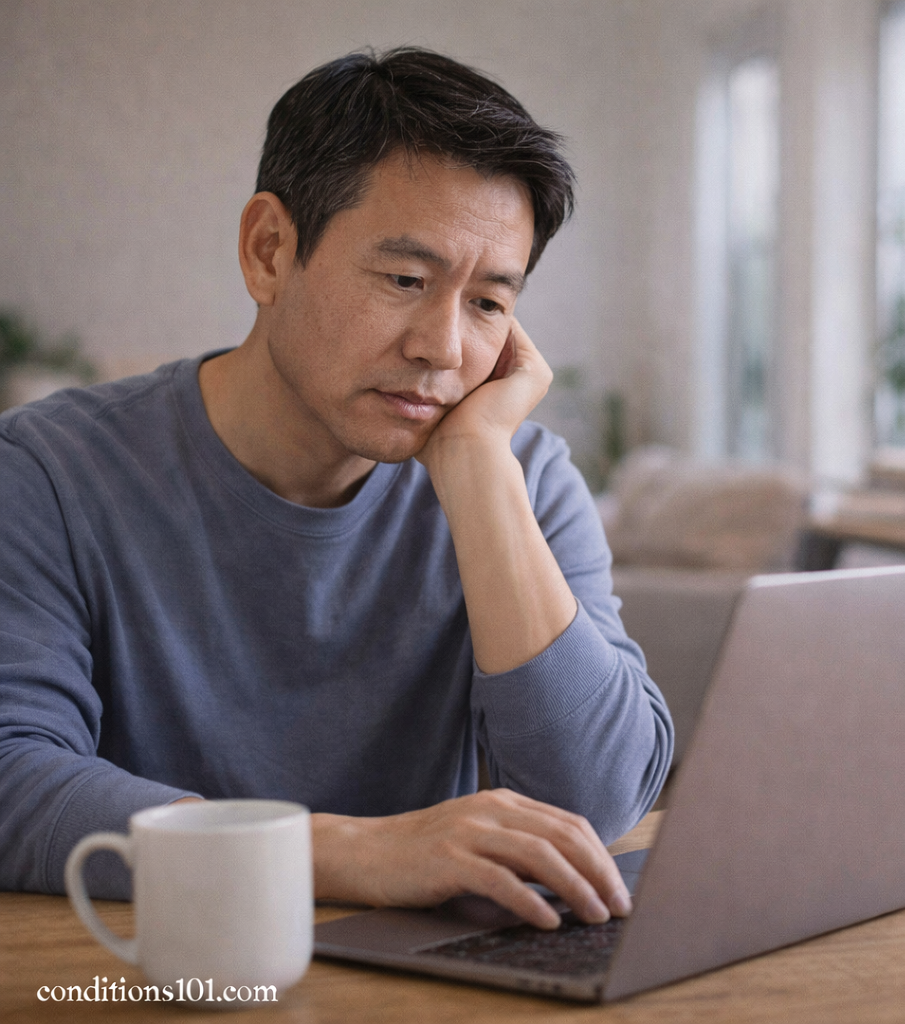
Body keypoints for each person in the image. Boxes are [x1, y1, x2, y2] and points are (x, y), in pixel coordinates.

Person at [0, 47, 672, 930]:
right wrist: (346, 852)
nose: (444, 347)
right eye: (405, 280)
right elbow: (14, 773)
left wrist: (476, 474)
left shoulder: (523, 478)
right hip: (163, 974)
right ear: (270, 251)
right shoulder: (49, 470)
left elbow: (601, 801)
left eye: (489, 304)